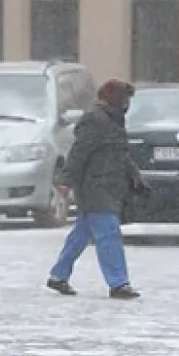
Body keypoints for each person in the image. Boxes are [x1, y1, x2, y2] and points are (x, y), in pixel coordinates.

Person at [45, 79, 145, 300]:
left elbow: (119, 152)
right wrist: (66, 180)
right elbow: (79, 152)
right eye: (126, 99)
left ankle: (58, 275)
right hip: (95, 186)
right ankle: (119, 283)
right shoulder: (95, 120)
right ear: (115, 99)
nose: (128, 104)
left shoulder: (113, 120)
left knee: (81, 234)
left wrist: (134, 173)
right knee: (109, 235)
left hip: (107, 185)